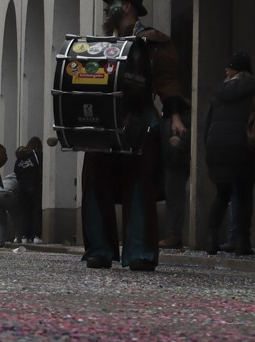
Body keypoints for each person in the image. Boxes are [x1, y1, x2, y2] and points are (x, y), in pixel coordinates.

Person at [81, 0, 186, 271]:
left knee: (139, 183)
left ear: (127, 5)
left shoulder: (151, 41)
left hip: (140, 121)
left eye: (112, 3)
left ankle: (139, 251)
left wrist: (174, 115)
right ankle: (100, 250)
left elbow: (167, 80)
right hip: (105, 123)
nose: (108, 8)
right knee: (95, 177)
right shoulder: (104, 45)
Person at [203, 52, 255, 256]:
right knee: (244, 194)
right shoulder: (254, 89)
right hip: (241, 148)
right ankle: (242, 243)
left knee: (222, 195)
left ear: (232, 71)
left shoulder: (218, 93)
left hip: (217, 148)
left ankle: (211, 240)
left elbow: (208, 124)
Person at [158, 97, 191, 249]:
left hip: (175, 159)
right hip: (173, 159)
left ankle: (174, 234)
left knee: (174, 195)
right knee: (173, 194)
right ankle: (173, 234)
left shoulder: (178, 119)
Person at [13, 136, 42, 244]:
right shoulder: (37, 155)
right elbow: (40, 169)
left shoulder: (21, 156)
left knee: (25, 212)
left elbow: (15, 170)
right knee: (36, 211)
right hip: (34, 185)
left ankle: (24, 236)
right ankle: (36, 236)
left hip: (21, 186)